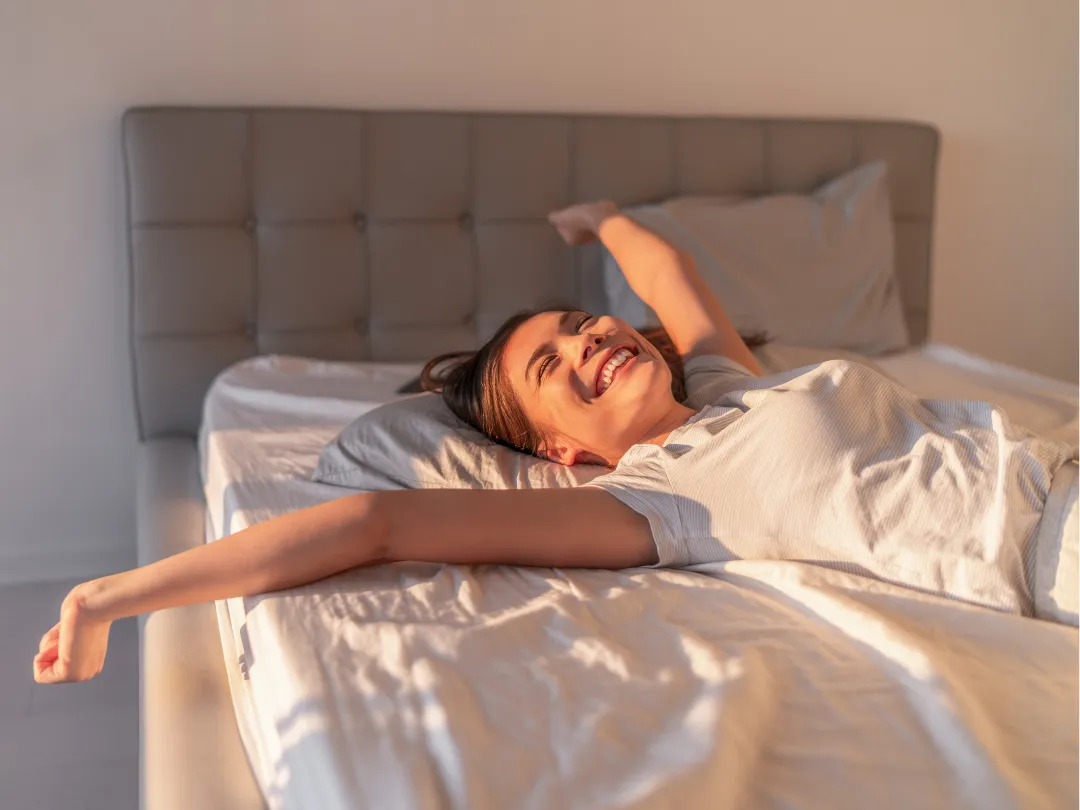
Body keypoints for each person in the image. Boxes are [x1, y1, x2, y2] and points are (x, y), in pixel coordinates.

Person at [33, 202, 1079, 685]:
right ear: (567, 453)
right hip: (1050, 549)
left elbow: (667, 276)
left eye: (581, 325)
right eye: (555, 369)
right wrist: (104, 598)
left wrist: (600, 219)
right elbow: (377, 521)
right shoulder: (658, 502)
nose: (591, 342)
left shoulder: (723, 385)